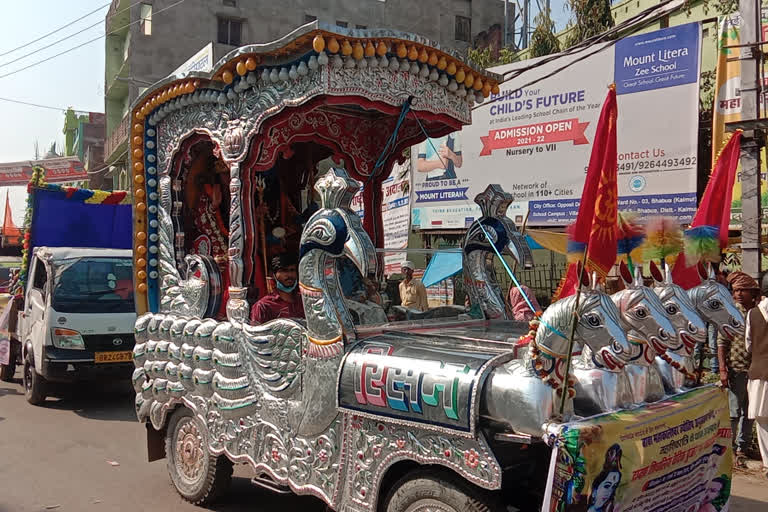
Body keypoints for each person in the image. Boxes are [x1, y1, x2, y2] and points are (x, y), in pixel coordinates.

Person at [718, 271, 759, 466]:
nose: (739, 294)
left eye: (744, 290)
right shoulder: (731, 313)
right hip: (736, 368)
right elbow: (721, 343)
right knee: (734, 412)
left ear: (753, 293)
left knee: (750, 412)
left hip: (756, 370)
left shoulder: (758, 313)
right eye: (736, 290)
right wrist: (722, 369)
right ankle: (731, 449)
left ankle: (743, 447)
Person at [747, 287, 768, 479]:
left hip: (760, 373)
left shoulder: (752, 314)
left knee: (762, 421)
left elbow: (748, 344)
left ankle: (767, 463)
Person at [250, 254, 304, 324]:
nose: (289, 274)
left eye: (292, 270)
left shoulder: (303, 301)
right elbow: (256, 333)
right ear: (273, 275)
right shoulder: (263, 306)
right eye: (283, 271)